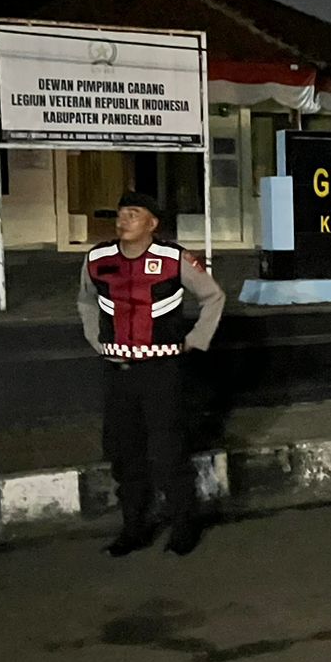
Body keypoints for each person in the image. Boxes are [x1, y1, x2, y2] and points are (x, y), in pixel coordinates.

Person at [77, 192, 226, 557]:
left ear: (152, 223)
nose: (124, 220)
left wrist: (195, 340)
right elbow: (85, 300)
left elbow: (213, 297)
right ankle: (134, 528)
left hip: (161, 372)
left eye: (134, 213)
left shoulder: (174, 259)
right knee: (124, 452)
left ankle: (183, 527)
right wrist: (96, 339)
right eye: (121, 213)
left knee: (168, 451)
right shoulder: (97, 258)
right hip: (118, 372)